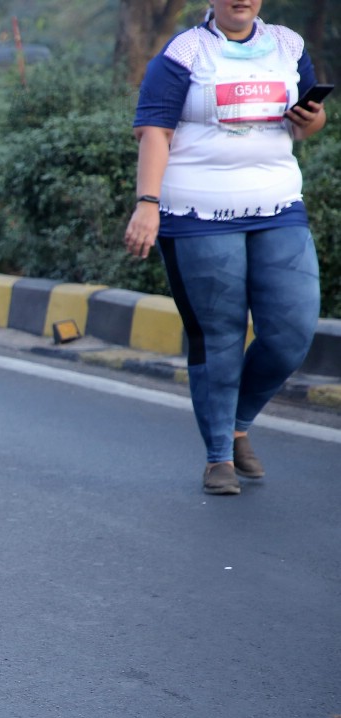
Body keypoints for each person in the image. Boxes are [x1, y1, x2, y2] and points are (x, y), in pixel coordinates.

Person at [125, 1, 327, 496]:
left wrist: (312, 117)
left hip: (277, 204)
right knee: (219, 334)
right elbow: (155, 130)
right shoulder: (185, 51)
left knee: (292, 332)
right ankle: (219, 456)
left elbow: (305, 124)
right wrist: (147, 204)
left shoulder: (288, 45)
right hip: (196, 213)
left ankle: (238, 421)